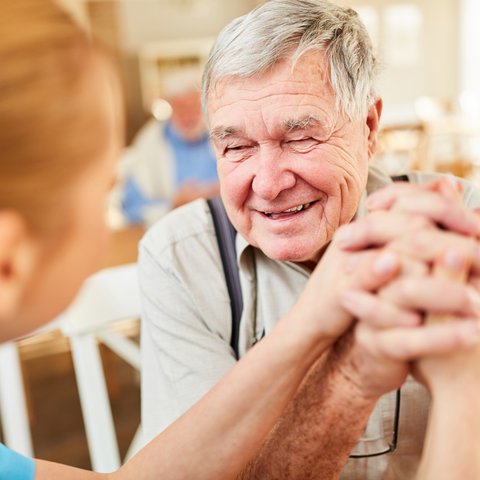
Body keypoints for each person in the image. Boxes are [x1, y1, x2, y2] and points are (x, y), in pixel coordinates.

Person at [5, 1, 475, 479]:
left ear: (369, 127)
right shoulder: (183, 256)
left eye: (300, 138)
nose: (268, 184)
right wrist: (354, 367)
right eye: (235, 147)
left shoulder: (461, 219)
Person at [117, 66, 219, 226]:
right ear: (170, 106)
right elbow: (129, 208)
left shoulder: (222, 133)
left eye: (194, 107)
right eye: (181, 108)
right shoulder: (149, 143)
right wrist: (173, 205)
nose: (188, 115)